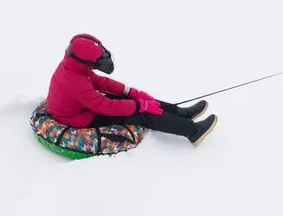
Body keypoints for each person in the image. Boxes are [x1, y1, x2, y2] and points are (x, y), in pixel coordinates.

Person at [47, 33, 218, 147]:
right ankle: (192, 131)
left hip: (83, 106)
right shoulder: (74, 81)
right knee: (141, 114)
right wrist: (139, 106)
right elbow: (105, 106)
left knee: (137, 102)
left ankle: (182, 113)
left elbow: (100, 81)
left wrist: (131, 92)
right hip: (79, 117)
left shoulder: (74, 67)